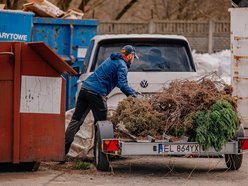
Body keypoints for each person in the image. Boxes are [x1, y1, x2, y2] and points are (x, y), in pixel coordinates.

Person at [64, 45, 138, 156]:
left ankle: (62, 152)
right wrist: (133, 95)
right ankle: (100, 156)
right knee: (103, 125)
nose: (133, 60)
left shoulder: (112, 59)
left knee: (76, 121)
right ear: (130, 55)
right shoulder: (122, 65)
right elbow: (122, 84)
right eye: (133, 57)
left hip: (85, 89)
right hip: (97, 93)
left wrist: (131, 90)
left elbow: (116, 81)